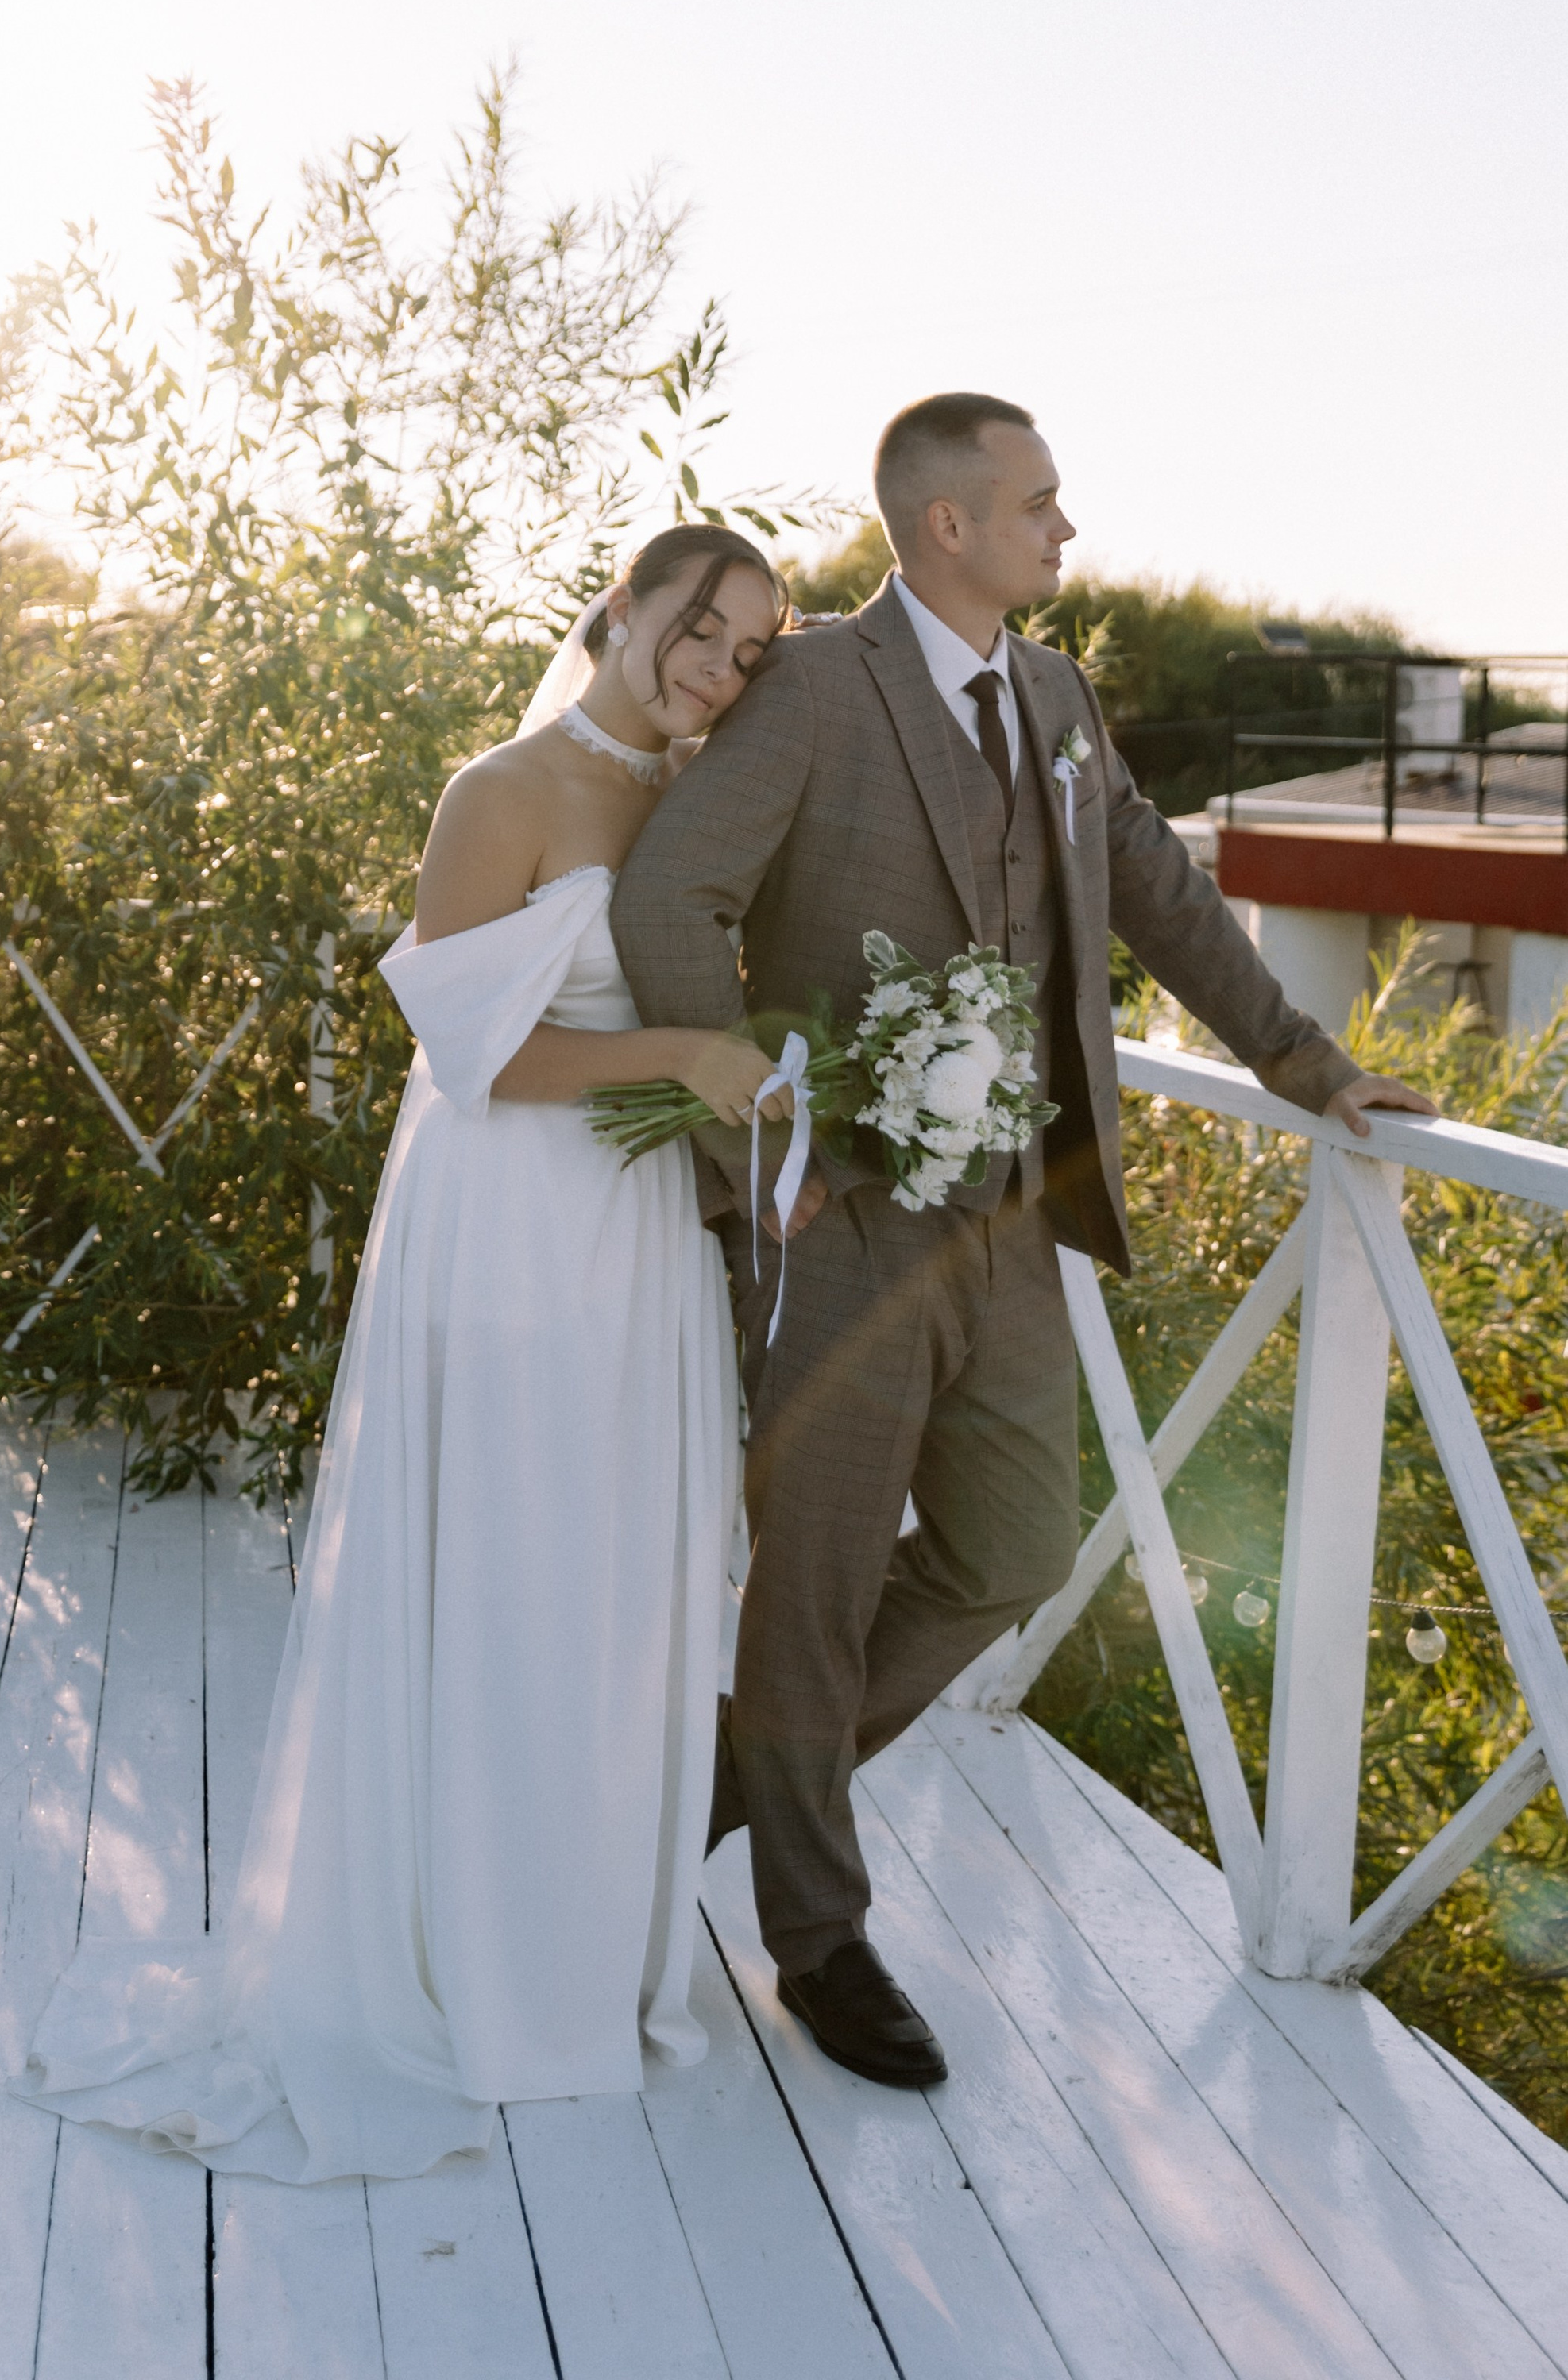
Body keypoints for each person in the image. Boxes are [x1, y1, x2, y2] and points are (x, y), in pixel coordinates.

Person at [611, 394, 1431, 2093]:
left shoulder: (1054, 698)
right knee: (819, 1592)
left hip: (1014, 1214)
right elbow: (666, 893)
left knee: (1009, 1549)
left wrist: (1309, 1061)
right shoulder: (817, 689)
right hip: (838, 1224)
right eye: (1037, 503)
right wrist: (761, 1121)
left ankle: (732, 1784)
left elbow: (1157, 891)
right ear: (944, 529)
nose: (1066, 528)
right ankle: (817, 1939)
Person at [20, 523, 788, 2180]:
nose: (715, 670)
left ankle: (584, 1953)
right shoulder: (496, 789)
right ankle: (470, 1965)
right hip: (513, 1221)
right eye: (697, 629)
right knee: (509, 1565)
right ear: (621, 605)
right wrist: (684, 1052)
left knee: (615, 1581)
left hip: (641, 1234)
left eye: (746, 653)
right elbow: (468, 1053)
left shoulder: (697, 798)